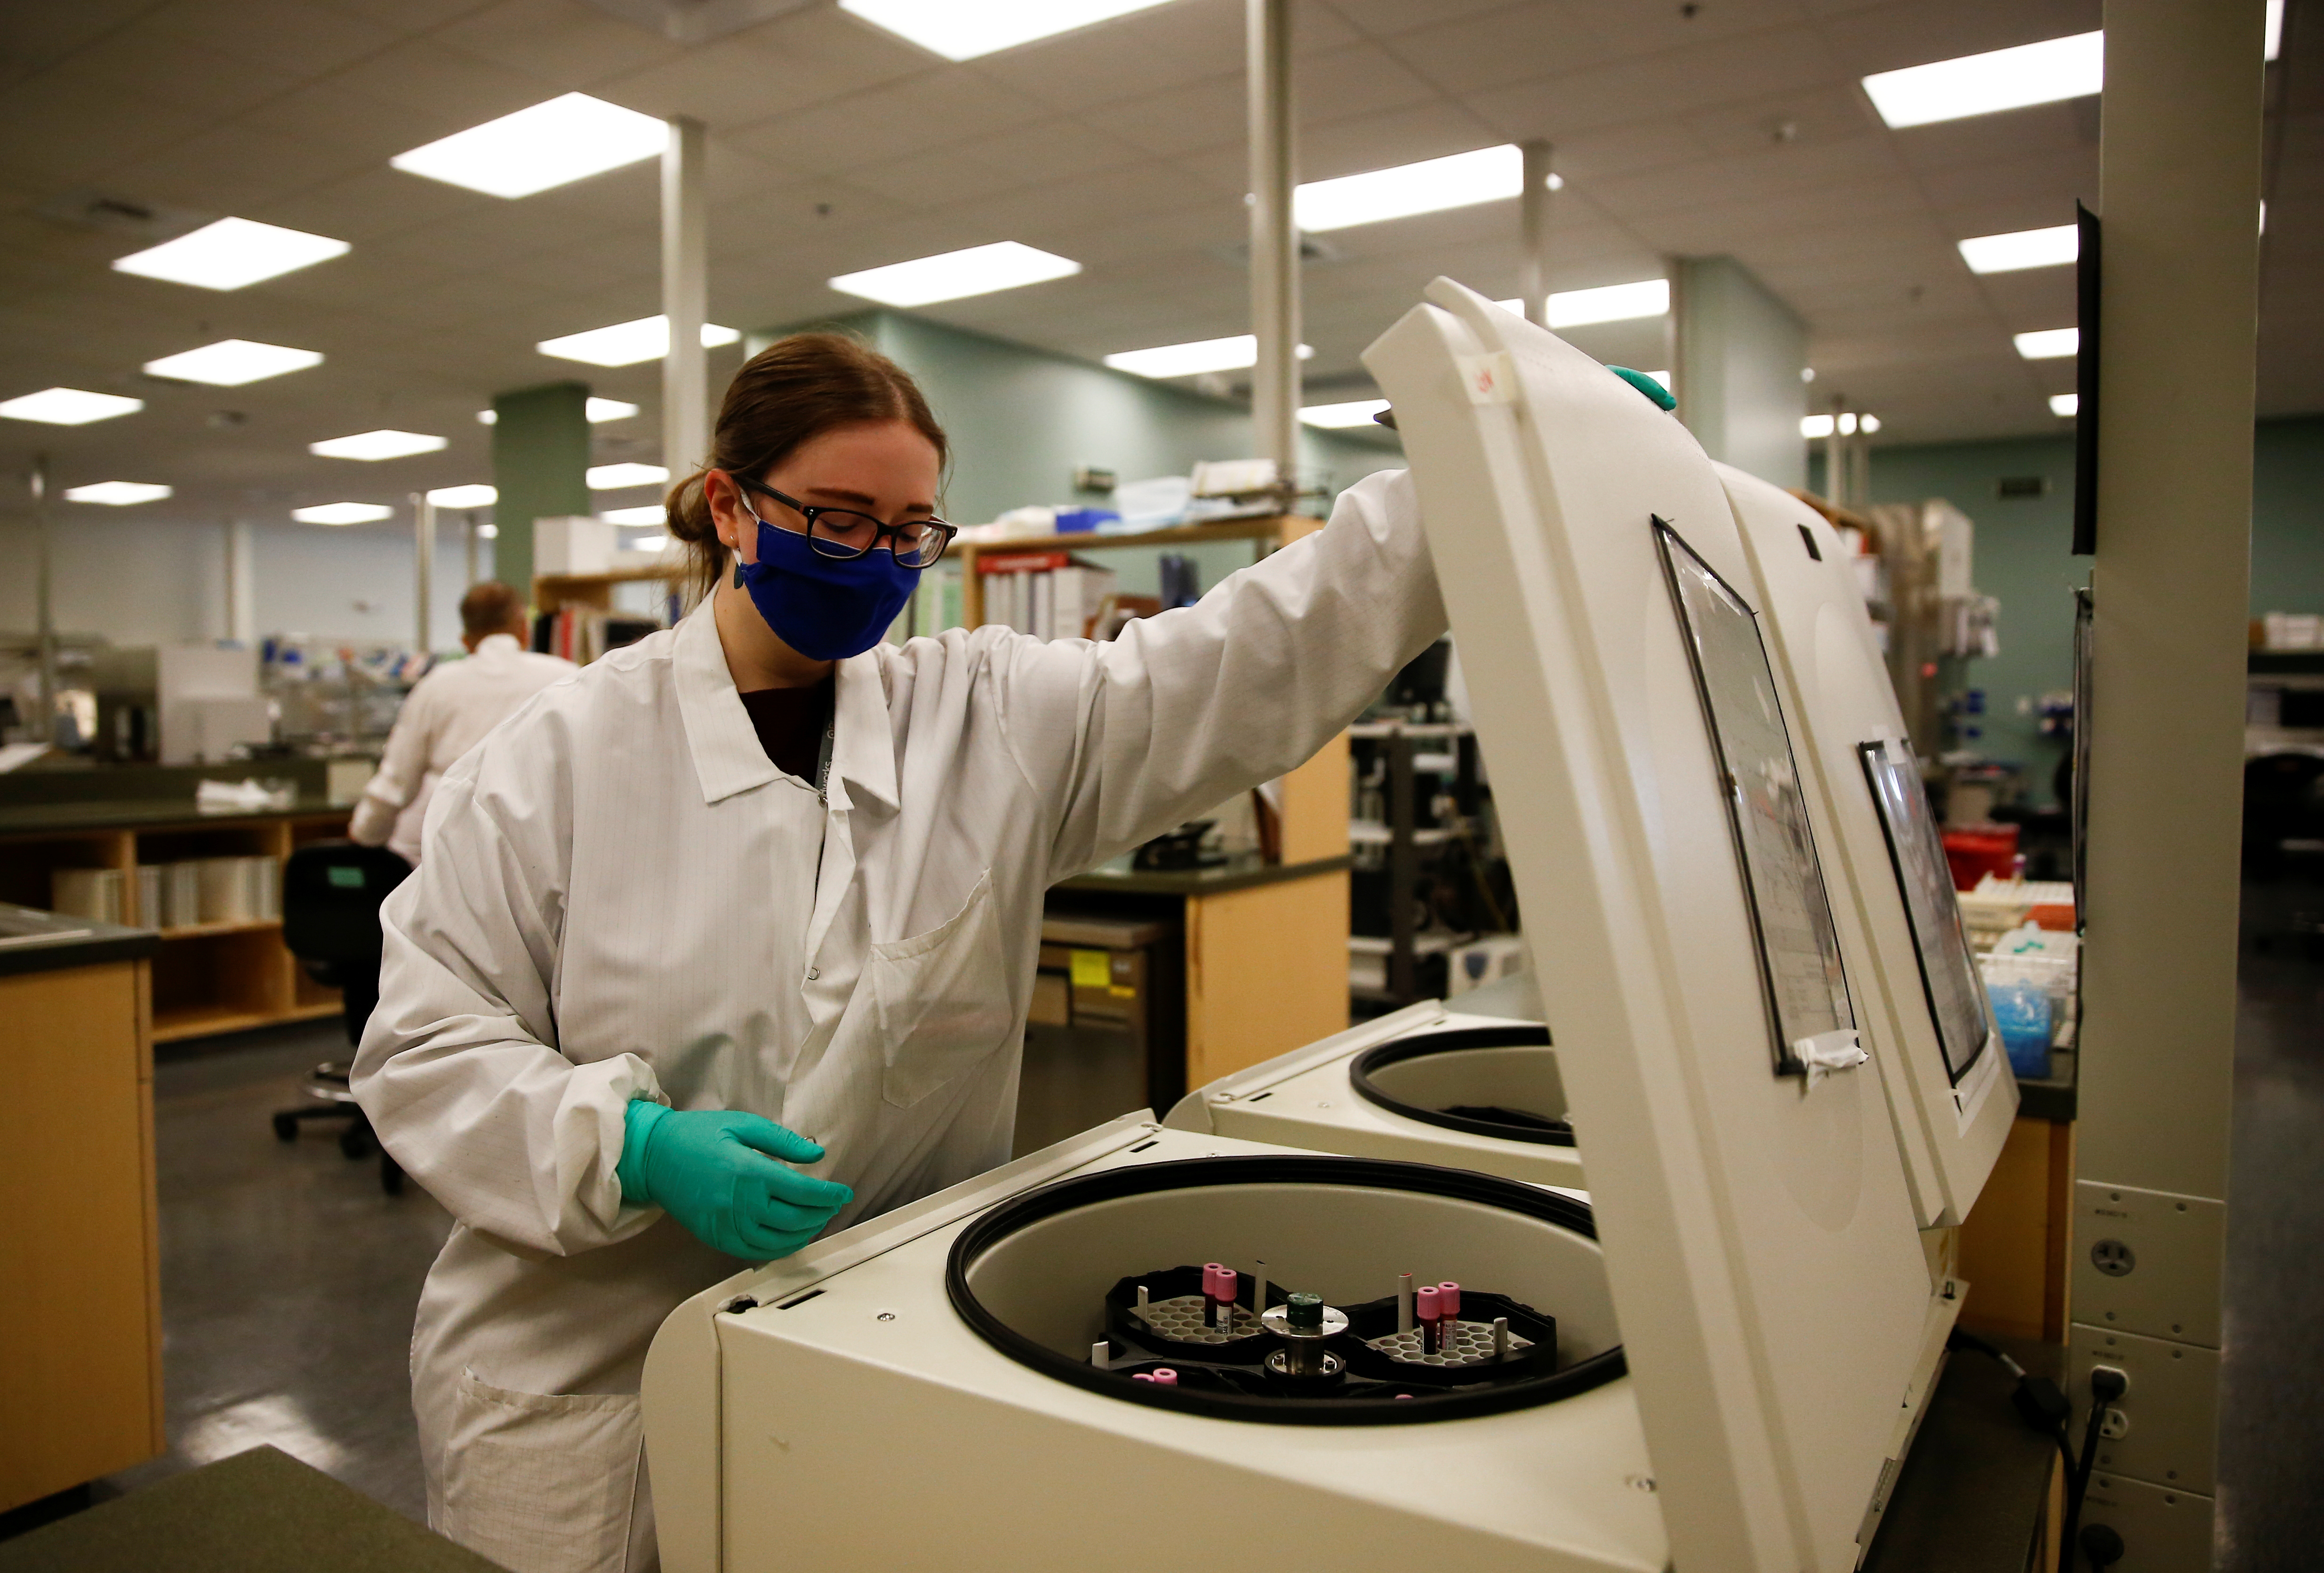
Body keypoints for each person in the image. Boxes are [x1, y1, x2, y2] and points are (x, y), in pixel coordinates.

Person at [352, 332, 1444, 1573]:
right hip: (587, 1374)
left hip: (874, 1349)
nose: (875, 558)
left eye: (909, 530)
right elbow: (426, 1046)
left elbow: (1249, 654)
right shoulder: (551, 762)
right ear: (731, 507)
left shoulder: (985, 719)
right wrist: (635, 1146)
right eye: (837, 519)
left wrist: (1463, 484)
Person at [349, 581, 578, 865]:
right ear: (524, 630)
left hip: (437, 850)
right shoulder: (568, 678)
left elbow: (396, 782)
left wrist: (365, 834)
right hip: (536, 851)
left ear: (466, 641)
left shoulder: (437, 684)